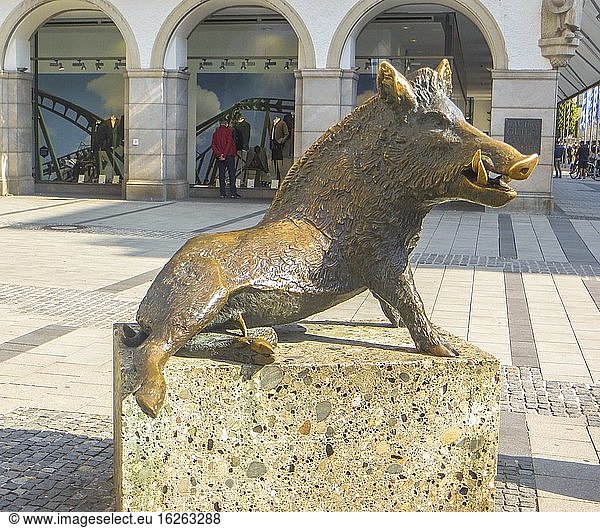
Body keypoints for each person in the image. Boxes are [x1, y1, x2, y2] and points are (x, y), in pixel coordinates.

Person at [211, 119, 240, 198]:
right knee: (231, 174)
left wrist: (220, 154)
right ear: (226, 124)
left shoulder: (215, 133)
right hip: (229, 155)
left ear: (220, 124)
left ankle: (222, 193)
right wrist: (224, 154)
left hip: (219, 157)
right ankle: (233, 193)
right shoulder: (228, 131)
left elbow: (213, 145)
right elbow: (229, 143)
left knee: (221, 175)